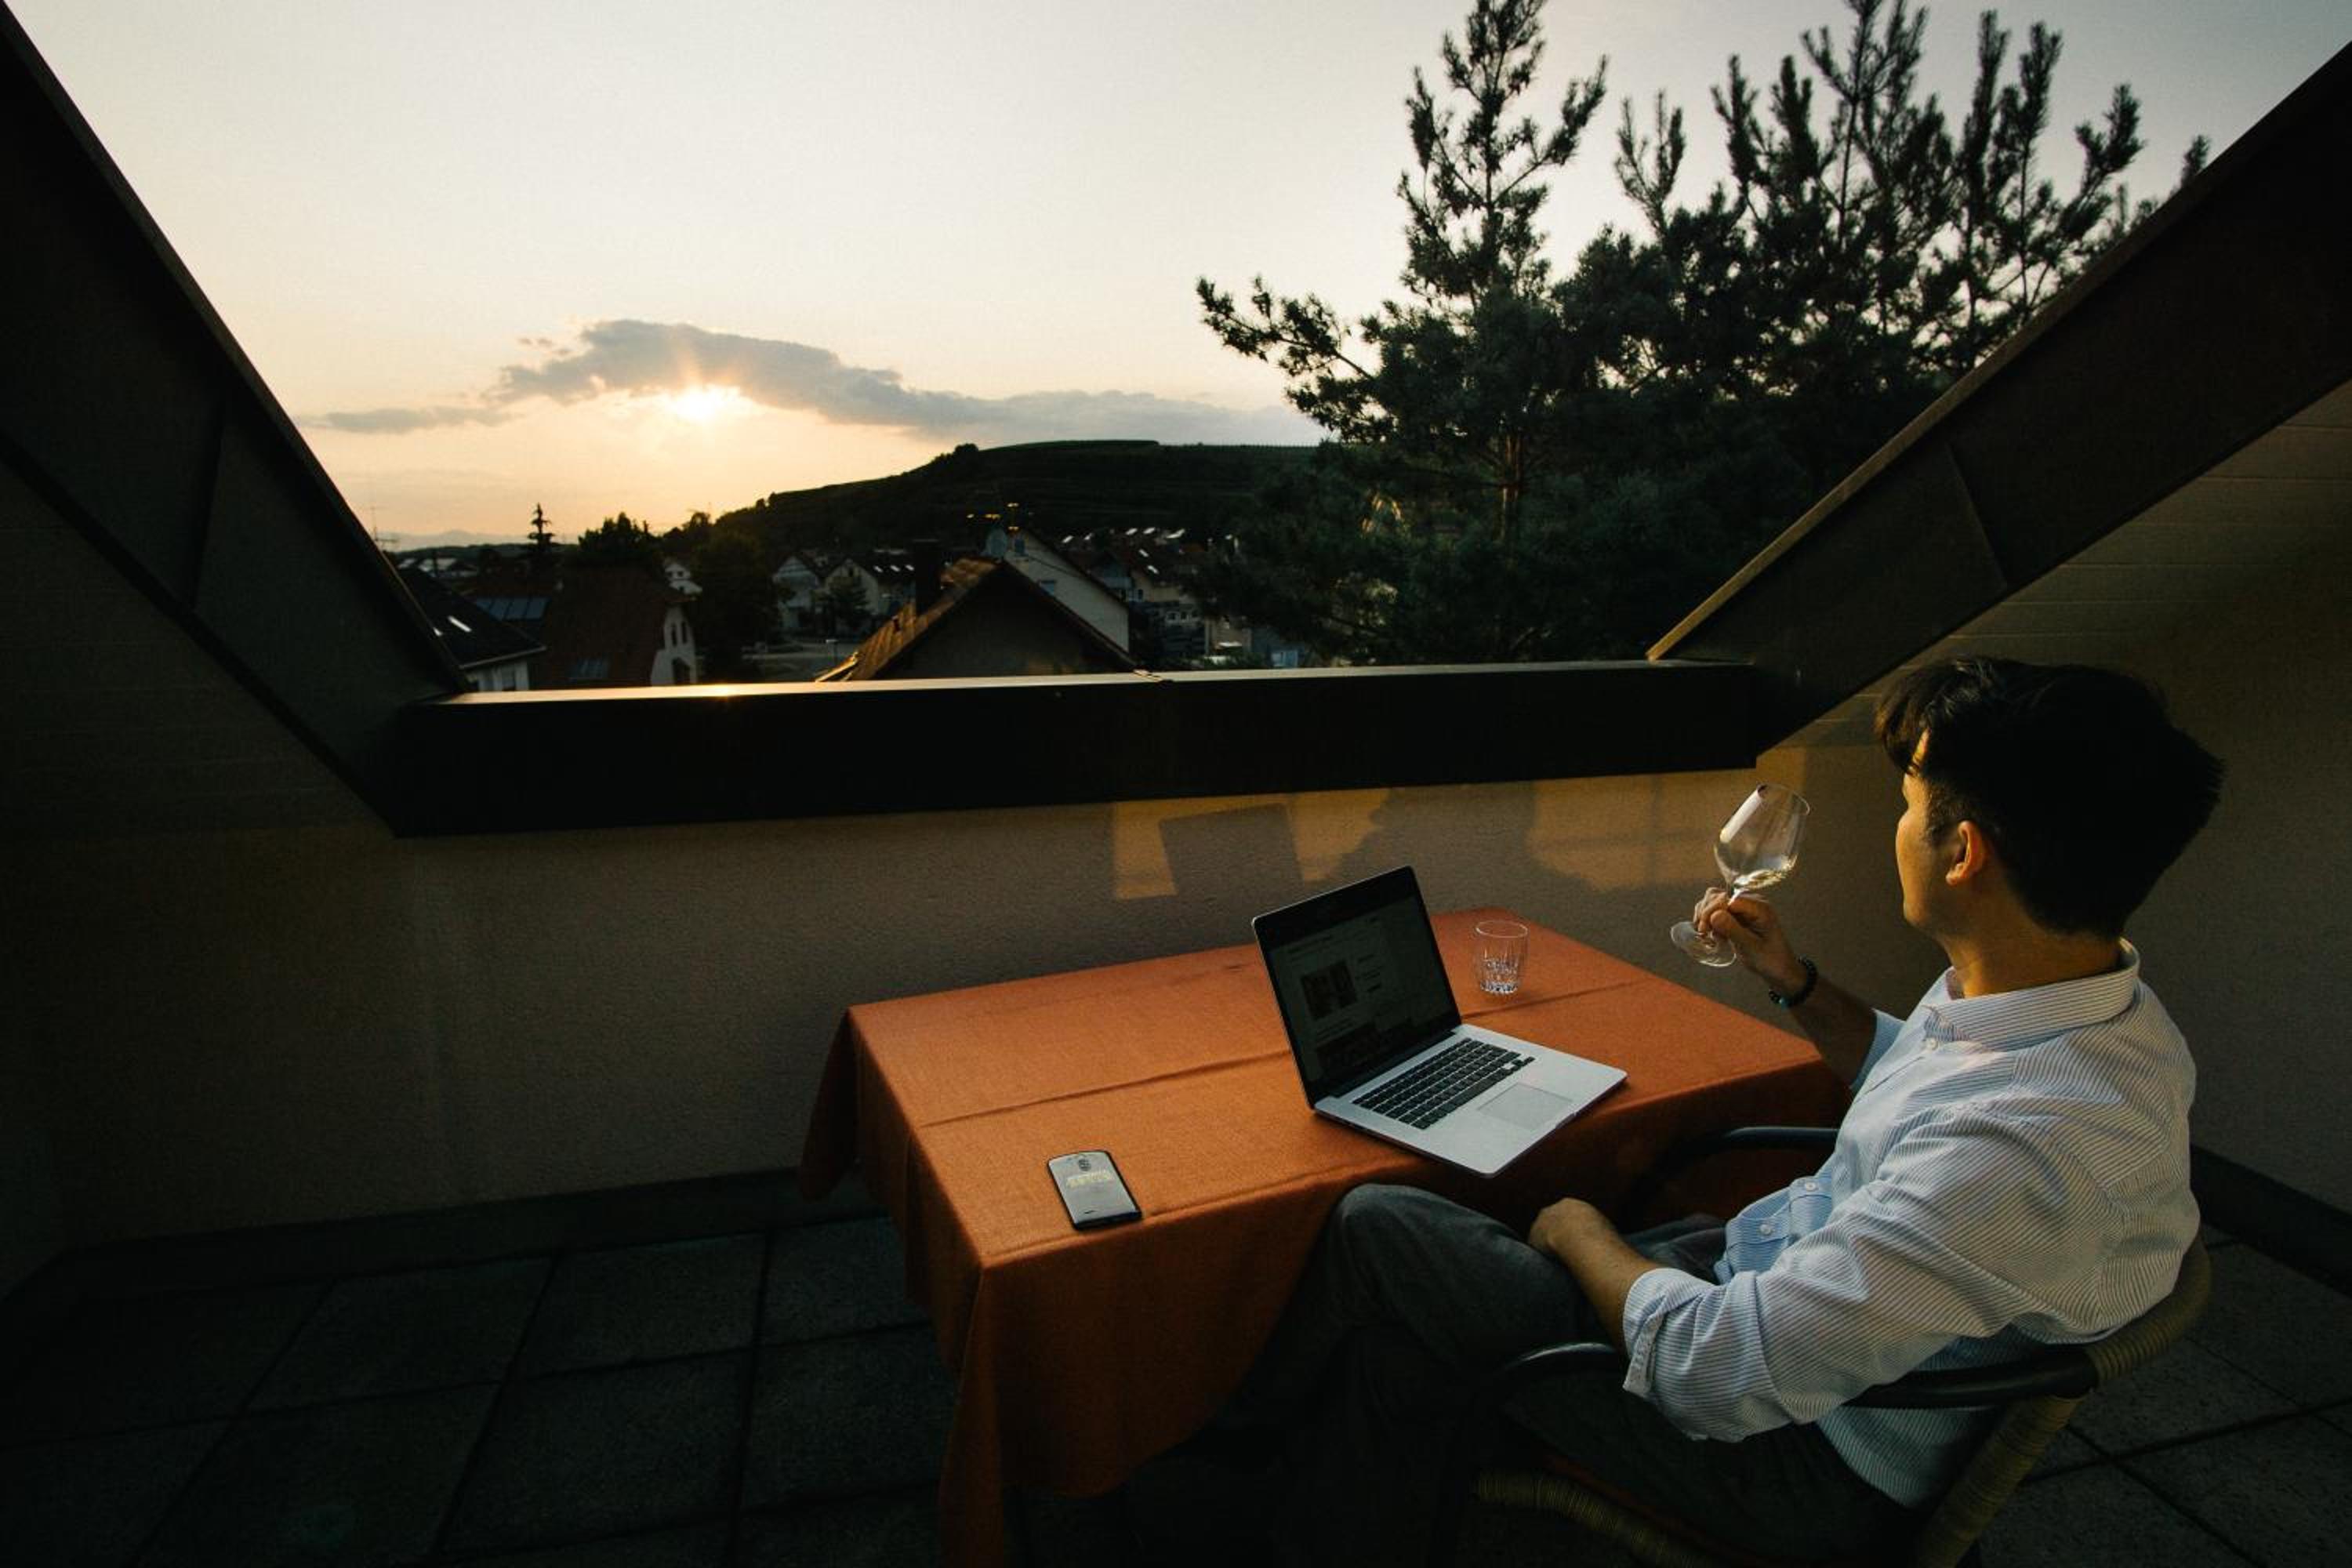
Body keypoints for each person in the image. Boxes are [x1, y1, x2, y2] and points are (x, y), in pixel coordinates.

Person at [1152, 658, 2223, 1566]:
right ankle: (1313, 1513)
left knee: (1380, 1223)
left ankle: (1219, 1445)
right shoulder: (2097, 1017)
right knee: (1405, 1349)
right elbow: (1919, 1074)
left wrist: (1580, 1231)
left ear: (1965, 851)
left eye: (1908, 804)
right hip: (1784, 1304)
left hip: (1801, 1459)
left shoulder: (2015, 1153)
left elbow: (1721, 1374)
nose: (1897, 826)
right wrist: (1795, 982)